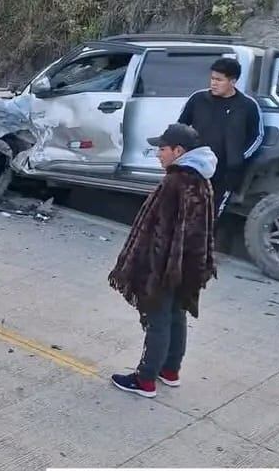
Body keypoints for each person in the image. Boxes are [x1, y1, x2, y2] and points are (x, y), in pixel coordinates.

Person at [108, 123, 217, 398]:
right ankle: (170, 370)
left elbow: (158, 231)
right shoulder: (201, 180)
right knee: (176, 315)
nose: (158, 154)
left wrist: (148, 269)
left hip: (165, 266)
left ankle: (145, 380)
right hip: (188, 265)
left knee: (157, 318)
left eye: (162, 149)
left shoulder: (174, 182)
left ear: (178, 151)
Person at [178, 57, 263, 216]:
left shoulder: (247, 105)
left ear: (233, 81)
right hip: (197, 167)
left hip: (226, 172)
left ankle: (207, 240)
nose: (213, 83)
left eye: (219, 80)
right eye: (212, 78)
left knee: (213, 213)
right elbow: (180, 127)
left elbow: (257, 136)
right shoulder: (198, 99)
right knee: (189, 210)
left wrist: (238, 157)